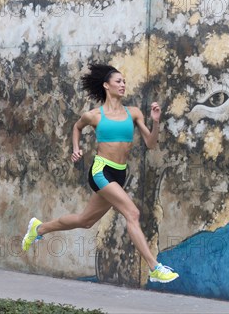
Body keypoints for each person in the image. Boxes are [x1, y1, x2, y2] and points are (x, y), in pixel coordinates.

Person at [21, 63, 178, 283]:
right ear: (106, 85)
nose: (123, 85)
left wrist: (155, 121)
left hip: (119, 174)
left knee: (85, 221)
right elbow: (76, 127)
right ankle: (154, 267)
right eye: (118, 81)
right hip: (101, 170)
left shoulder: (133, 113)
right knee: (132, 213)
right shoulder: (94, 115)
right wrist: (76, 149)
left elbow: (151, 143)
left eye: (124, 81)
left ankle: (39, 228)